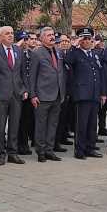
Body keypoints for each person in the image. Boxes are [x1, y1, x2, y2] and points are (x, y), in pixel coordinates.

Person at [65, 27, 106, 160]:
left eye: (89, 39)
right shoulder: (75, 53)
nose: (87, 41)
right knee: (81, 125)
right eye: (84, 39)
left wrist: (102, 93)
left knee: (92, 124)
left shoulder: (94, 54)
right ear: (80, 40)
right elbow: (67, 61)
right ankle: (80, 150)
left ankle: (90, 148)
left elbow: (100, 75)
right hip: (82, 95)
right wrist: (75, 44)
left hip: (94, 94)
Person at [0, 26, 27, 165]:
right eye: (7, 34)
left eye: (12, 33)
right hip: (0, 94)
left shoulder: (18, 50)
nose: (11, 35)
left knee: (14, 125)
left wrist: (24, 89)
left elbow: (23, 72)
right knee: (0, 126)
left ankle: (13, 153)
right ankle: (0, 154)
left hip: (16, 93)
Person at [29, 27, 66, 163]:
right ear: (42, 38)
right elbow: (32, 76)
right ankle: (41, 151)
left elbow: (61, 72)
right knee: (41, 124)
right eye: (49, 35)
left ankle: (49, 150)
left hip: (57, 94)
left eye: (53, 35)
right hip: (42, 95)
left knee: (53, 124)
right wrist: (33, 95)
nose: (52, 37)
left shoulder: (58, 51)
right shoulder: (37, 53)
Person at [17, 31, 37, 156]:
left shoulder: (31, 54)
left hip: (30, 91)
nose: (25, 42)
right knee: (19, 121)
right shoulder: (17, 54)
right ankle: (20, 145)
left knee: (28, 119)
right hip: (20, 91)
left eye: (27, 39)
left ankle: (25, 144)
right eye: (23, 39)